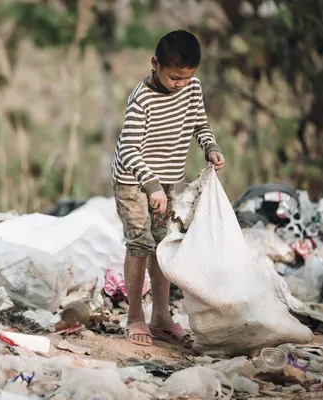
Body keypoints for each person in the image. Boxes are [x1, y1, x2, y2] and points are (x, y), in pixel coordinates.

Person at [111, 30, 225, 347]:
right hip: (133, 180)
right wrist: (151, 186)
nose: (180, 84)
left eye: (187, 78)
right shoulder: (141, 100)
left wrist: (210, 147)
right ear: (155, 64)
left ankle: (161, 318)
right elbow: (130, 151)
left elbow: (200, 123)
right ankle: (135, 316)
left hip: (166, 179)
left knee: (164, 245)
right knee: (140, 244)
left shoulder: (192, 88)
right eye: (175, 77)